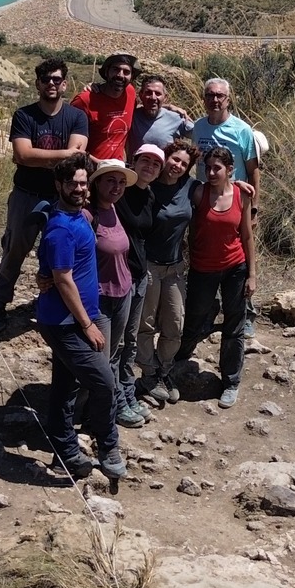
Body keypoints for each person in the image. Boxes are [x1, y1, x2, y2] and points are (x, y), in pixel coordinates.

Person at [33, 154, 126, 483]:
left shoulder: (79, 217)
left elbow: (56, 270)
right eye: (72, 183)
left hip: (79, 316)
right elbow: (63, 278)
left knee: (63, 386)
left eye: (83, 183)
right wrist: (87, 323)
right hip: (64, 323)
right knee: (104, 382)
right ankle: (107, 446)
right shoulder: (60, 228)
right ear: (59, 185)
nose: (79, 188)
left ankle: (64, 450)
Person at [0, 59, 88, 335]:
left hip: (61, 199)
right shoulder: (24, 116)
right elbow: (22, 155)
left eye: (56, 79)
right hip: (27, 195)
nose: (51, 83)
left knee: (59, 254)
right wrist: (63, 156)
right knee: (15, 249)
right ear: (37, 84)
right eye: (46, 79)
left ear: (65, 83)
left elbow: (75, 158)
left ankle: (55, 303)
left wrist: (46, 158)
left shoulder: (76, 117)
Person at [173, 145, 255, 409]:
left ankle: (231, 381)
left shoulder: (242, 195)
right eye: (207, 167)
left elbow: (247, 236)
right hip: (202, 268)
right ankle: (178, 362)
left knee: (234, 324)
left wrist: (252, 274)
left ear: (230, 170)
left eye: (217, 168)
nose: (211, 172)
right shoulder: (198, 192)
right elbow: (173, 178)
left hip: (235, 267)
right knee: (195, 317)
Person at [131, 138, 195, 406]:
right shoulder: (146, 186)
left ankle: (164, 369)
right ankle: (148, 374)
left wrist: (239, 185)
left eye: (183, 163)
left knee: (175, 324)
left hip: (175, 267)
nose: (177, 166)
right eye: (174, 159)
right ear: (165, 158)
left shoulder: (190, 187)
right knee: (144, 324)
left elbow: (219, 189)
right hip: (149, 266)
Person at [89, 157, 149, 428]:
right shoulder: (88, 215)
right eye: (110, 180)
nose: (117, 186)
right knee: (102, 360)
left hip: (122, 290)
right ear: (97, 182)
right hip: (100, 297)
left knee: (116, 351)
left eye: (122, 182)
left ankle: (115, 403)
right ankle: (106, 412)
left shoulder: (115, 210)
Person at [191, 78, 260, 185]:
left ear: (228, 101)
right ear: (204, 100)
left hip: (233, 196)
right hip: (204, 195)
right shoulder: (198, 126)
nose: (214, 100)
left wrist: (253, 201)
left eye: (219, 96)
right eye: (210, 95)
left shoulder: (242, 129)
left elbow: (253, 171)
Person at [72, 53, 138, 162]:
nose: (120, 75)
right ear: (107, 72)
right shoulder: (85, 100)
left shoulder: (130, 93)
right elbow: (73, 147)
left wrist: (170, 107)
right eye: (116, 69)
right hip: (90, 171)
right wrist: (101, 164)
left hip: (118, 171)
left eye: (126, 72)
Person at [127, 73, 190, 150]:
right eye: (148, 93)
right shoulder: (132, 116)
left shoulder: (176, 118)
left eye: (158, 93)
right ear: (141, 95)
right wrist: (168, 106)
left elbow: (200, 133)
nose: (153, 97)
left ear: (165, 97)